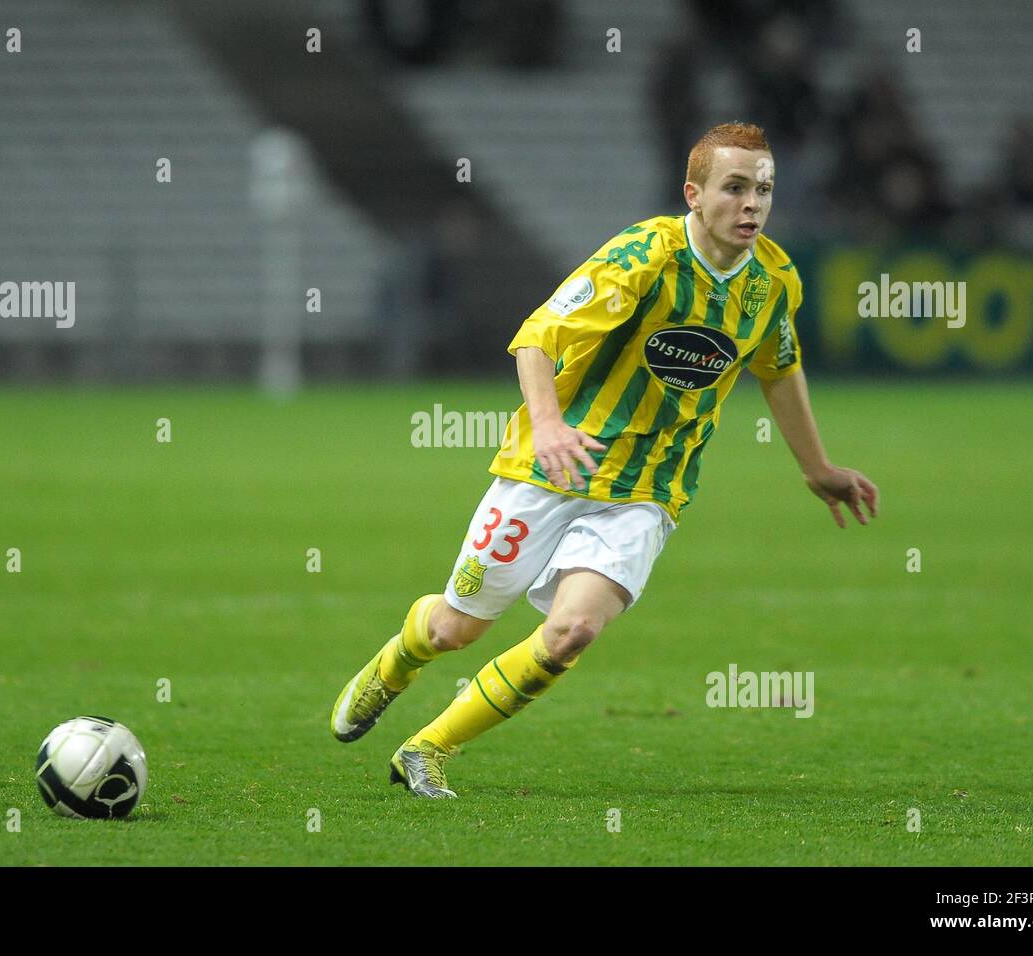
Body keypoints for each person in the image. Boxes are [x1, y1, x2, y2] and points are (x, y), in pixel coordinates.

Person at [330, 122, 879, 798]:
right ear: (694, 193)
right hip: (552, 468)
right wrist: (552, 426)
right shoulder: (643, 256)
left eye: (763, 190)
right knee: (455, 628)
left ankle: (429, 747)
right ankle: (396, 664)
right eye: (734, 188)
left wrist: (816, 467)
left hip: (649, 490)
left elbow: (779, 369)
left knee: (572, 631)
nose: (751, 205)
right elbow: (536, 337)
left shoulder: (773, 280)